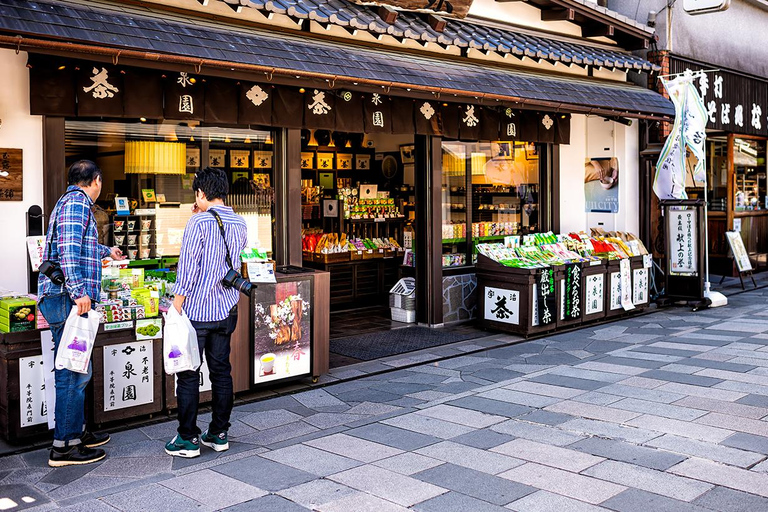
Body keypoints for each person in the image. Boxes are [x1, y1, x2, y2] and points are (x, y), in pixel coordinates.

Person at [38, 160, 123, 467]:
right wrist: (78, 292)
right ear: (96, 180)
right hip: (67, 298)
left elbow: (78, 245)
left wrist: (106, 251)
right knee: (73, 371)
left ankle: (77, 433)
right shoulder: (77, 204)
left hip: (65, 298)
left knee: (75, 366)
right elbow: (70, 251)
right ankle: (64, 446)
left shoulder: (69, 202)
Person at [165, 167, 248, 458]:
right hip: (226, 308)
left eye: (196, 193)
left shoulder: (197, 223)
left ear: (201, 193)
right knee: (221, 371)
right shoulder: (240, 223)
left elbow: (187, 268)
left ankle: (188, 438)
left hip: (197, 311)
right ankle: (219, 433)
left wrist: (176, 306)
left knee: (188, 374)